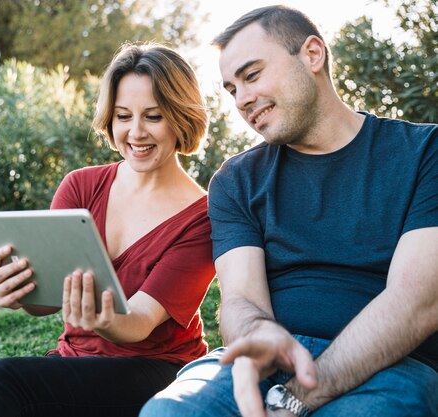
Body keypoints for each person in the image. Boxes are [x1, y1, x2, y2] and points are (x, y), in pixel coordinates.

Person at [140, 5, 438, 417]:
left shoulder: (425, 153)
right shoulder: (235, 180)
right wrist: (257, 333)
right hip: (265, 366)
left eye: (252, 75)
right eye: (231, 89)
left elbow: (417, 302)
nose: (241, 100)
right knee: (169, 412)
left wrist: (295, 399)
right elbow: (241, 298)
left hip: (391, 367)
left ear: (312, 54)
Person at [0, 42, 216, 417]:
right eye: (123, 116)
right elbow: (48, 301)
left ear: (181, 118)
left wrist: (100, 319)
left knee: (3, 377)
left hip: (159, 372)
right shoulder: (81, 186)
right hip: (76, 360)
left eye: (153, 116)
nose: (135, 132)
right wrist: (19, 289)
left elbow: (137, 324)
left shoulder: (202, 217)